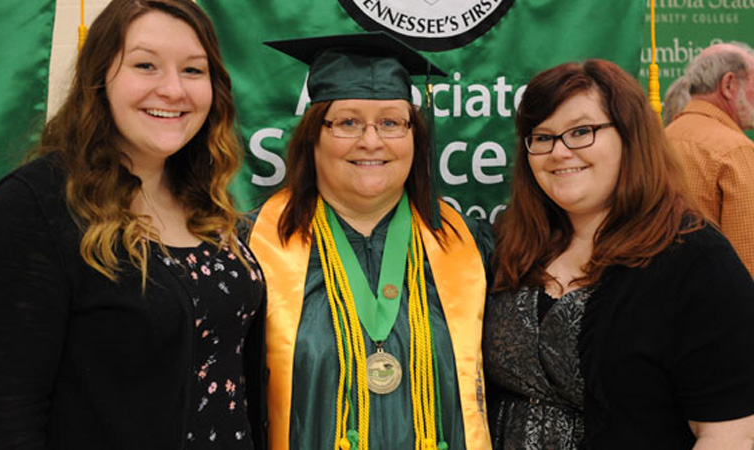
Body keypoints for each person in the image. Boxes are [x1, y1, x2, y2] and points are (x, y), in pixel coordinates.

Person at [0, 0, 267, 448]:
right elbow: (8, 417)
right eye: (145, 65)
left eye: (193, 70)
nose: (173, 89)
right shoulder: (36, 205)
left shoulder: (208, 202)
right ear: (99, 79)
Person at [485, 59, 754, 449]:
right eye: (542, 137)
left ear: (631, 137)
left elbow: (729, 434)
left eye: (582, 131)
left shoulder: (697, 260)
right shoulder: (514, 246)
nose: (559, 152)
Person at [246, 32, 493, 449]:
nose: (371, 140)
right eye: (348, 122)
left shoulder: (470, 246)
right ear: (313, 136)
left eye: (391, 122)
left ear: (416, 137)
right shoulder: (252, 248)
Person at [665, 42, 754, 277]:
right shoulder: (735, 150)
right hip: (718, 305)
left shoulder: (660, 140)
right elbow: (748, 259)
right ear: (729, 84)